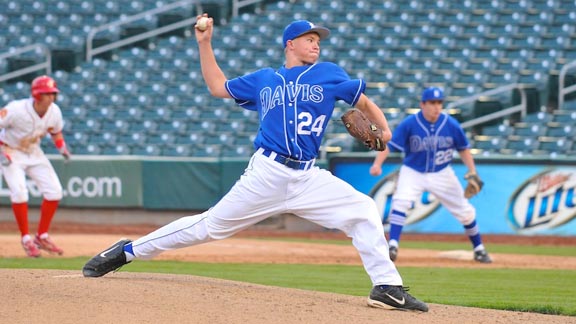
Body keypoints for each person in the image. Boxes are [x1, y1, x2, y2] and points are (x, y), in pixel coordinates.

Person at [82, 16, 429, 312]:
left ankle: (385, 287)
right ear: (290, 44)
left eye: (318, 39)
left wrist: (383, 130)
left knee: (364, 210)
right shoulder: (264, 79)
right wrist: (205, 43)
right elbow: (217, 87)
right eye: (310, 39)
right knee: (209, 227)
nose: (317, 44)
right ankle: (127, 251)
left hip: (307, 176)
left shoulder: (329, 73)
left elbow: (364, 102)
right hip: (267, 173)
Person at [369, 87, 492, 263]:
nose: (436, 106)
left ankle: (479, 248)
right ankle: (393, 245)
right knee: (401, 202)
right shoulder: (410, 123)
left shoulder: (451, 124)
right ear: (423, 104)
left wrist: (472, 171)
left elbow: (463, 149)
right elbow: (390, 145)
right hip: (413, 171)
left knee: (465, 211)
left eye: (439, 103)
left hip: (442, 172)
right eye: (432, 103)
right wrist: (377, 164)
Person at [0, 75, 71, 257]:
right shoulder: (16, 109)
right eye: (48, 93)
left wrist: (61, 146)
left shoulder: (54, 111)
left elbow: (56, 132)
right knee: (20, 192)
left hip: (33, 151)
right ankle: (26, 239)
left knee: (55, 191)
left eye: (53, 93)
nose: (52, 97)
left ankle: (42, 235)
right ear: (37, 95)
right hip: (11, 151)